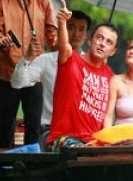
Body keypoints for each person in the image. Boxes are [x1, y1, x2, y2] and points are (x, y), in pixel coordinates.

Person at [0, 0, 56, 148]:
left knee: (34, 125)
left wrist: (64, 30)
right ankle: (3, 165)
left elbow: (53, 38)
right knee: (5, 125)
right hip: (7, 73)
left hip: (35, 74)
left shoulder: (44, 2)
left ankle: (31, 165)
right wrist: (1, 40)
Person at [10, 10, 92, 149]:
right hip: (51, 130)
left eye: (81, 29)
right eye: (70, 28)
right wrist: (28, 57)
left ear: (87, 35)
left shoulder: (91, 66)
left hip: (82, 131)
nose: (76, 34)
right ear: (62, 30)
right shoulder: (46, 60)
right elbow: (17, 83)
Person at [47, 0, 119, 148]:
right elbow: (63, 45)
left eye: (108, 42)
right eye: (99, 38)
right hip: (65, 139)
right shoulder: (71, 59)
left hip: (95, 141)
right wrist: (61, 22)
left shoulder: (110, 75)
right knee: (86, 152)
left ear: (113, 52)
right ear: (89, 40)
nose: (102, 44)